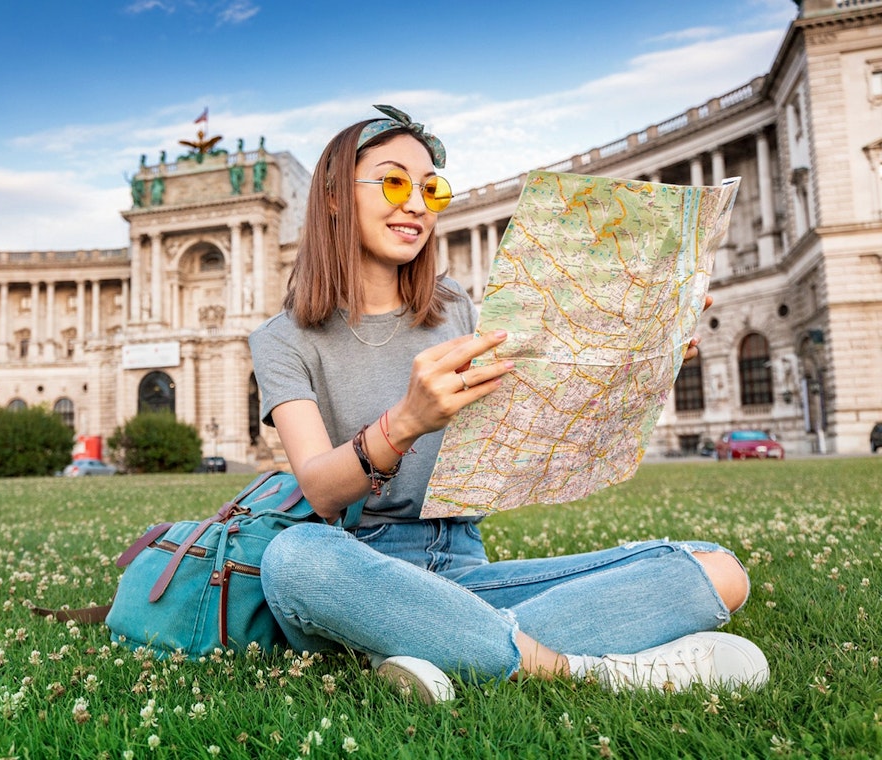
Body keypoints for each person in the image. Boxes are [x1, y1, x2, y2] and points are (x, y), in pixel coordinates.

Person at [248, 105, 769, 703]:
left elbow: (536, 420)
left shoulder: (458, 311)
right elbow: (317, 487)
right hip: (356, 564)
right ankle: (582, 670)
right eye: (394, 182)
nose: (416, 204)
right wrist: (406, 423)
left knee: (717, 568)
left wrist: (639, 356)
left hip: (464, 572)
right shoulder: (283, 339)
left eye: (431, 188)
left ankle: (425, 647)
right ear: (336, 198)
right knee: (293, 558)